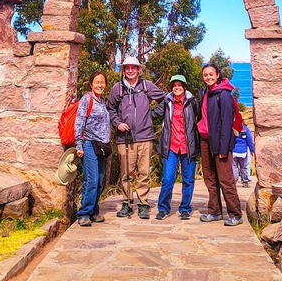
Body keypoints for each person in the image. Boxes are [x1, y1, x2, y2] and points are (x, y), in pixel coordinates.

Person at [107, 56, 166, 219]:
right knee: (126, 173)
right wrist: (117, 123)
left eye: (134, 67)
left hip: (145, 136)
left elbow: (165, 99)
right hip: (124, 138)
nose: (130, 71)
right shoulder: (117, 89)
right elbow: (110, 108)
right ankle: (126, 203)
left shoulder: (147, 86)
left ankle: (143, 204)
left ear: (139, 70)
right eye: (127, 68)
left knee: (144, 172)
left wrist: (152, 115)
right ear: (123, 70)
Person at [197, 63, 243, 226]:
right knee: (210, 178)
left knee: (225, 179)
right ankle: (214, 211)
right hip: (205, 140)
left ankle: (235, 214)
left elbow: (226, 124)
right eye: (205, 75)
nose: (208, 77)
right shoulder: (205, 93)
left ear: (217, 75)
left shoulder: (223, 95)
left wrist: (224, 148)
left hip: (220, 142)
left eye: (211, 74)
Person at [153, 74, 201, 220]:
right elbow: (153, 114)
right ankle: (163, 208)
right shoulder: (167, 102)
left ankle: (185, 208)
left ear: (184, 87)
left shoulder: (192, 102)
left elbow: (202, 116)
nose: (177, 88)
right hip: (171, 146)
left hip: (188, 147)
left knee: (188, 180)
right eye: (174, 85)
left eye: (179, 85)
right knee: (167, 179)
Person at [74, 71, 110, 227]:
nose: (100, 85)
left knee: (100, 181)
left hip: (102, 146)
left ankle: (94, 211)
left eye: (102, 82)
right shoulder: (87, 99)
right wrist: (78, 145)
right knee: (92, 180)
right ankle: (84, 213)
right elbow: (79, 121)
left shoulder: (102, 101)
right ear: (91, 84)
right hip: (89, 144)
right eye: (97, 82)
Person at [232, 123, 255, 187]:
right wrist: (252, 150)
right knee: (243, 166)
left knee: (234, 166)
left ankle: (234, 180)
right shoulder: (245, 129)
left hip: (233, 151)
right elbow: (249, 140)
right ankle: (245, 181)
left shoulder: (232, 128)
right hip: (243, 152)